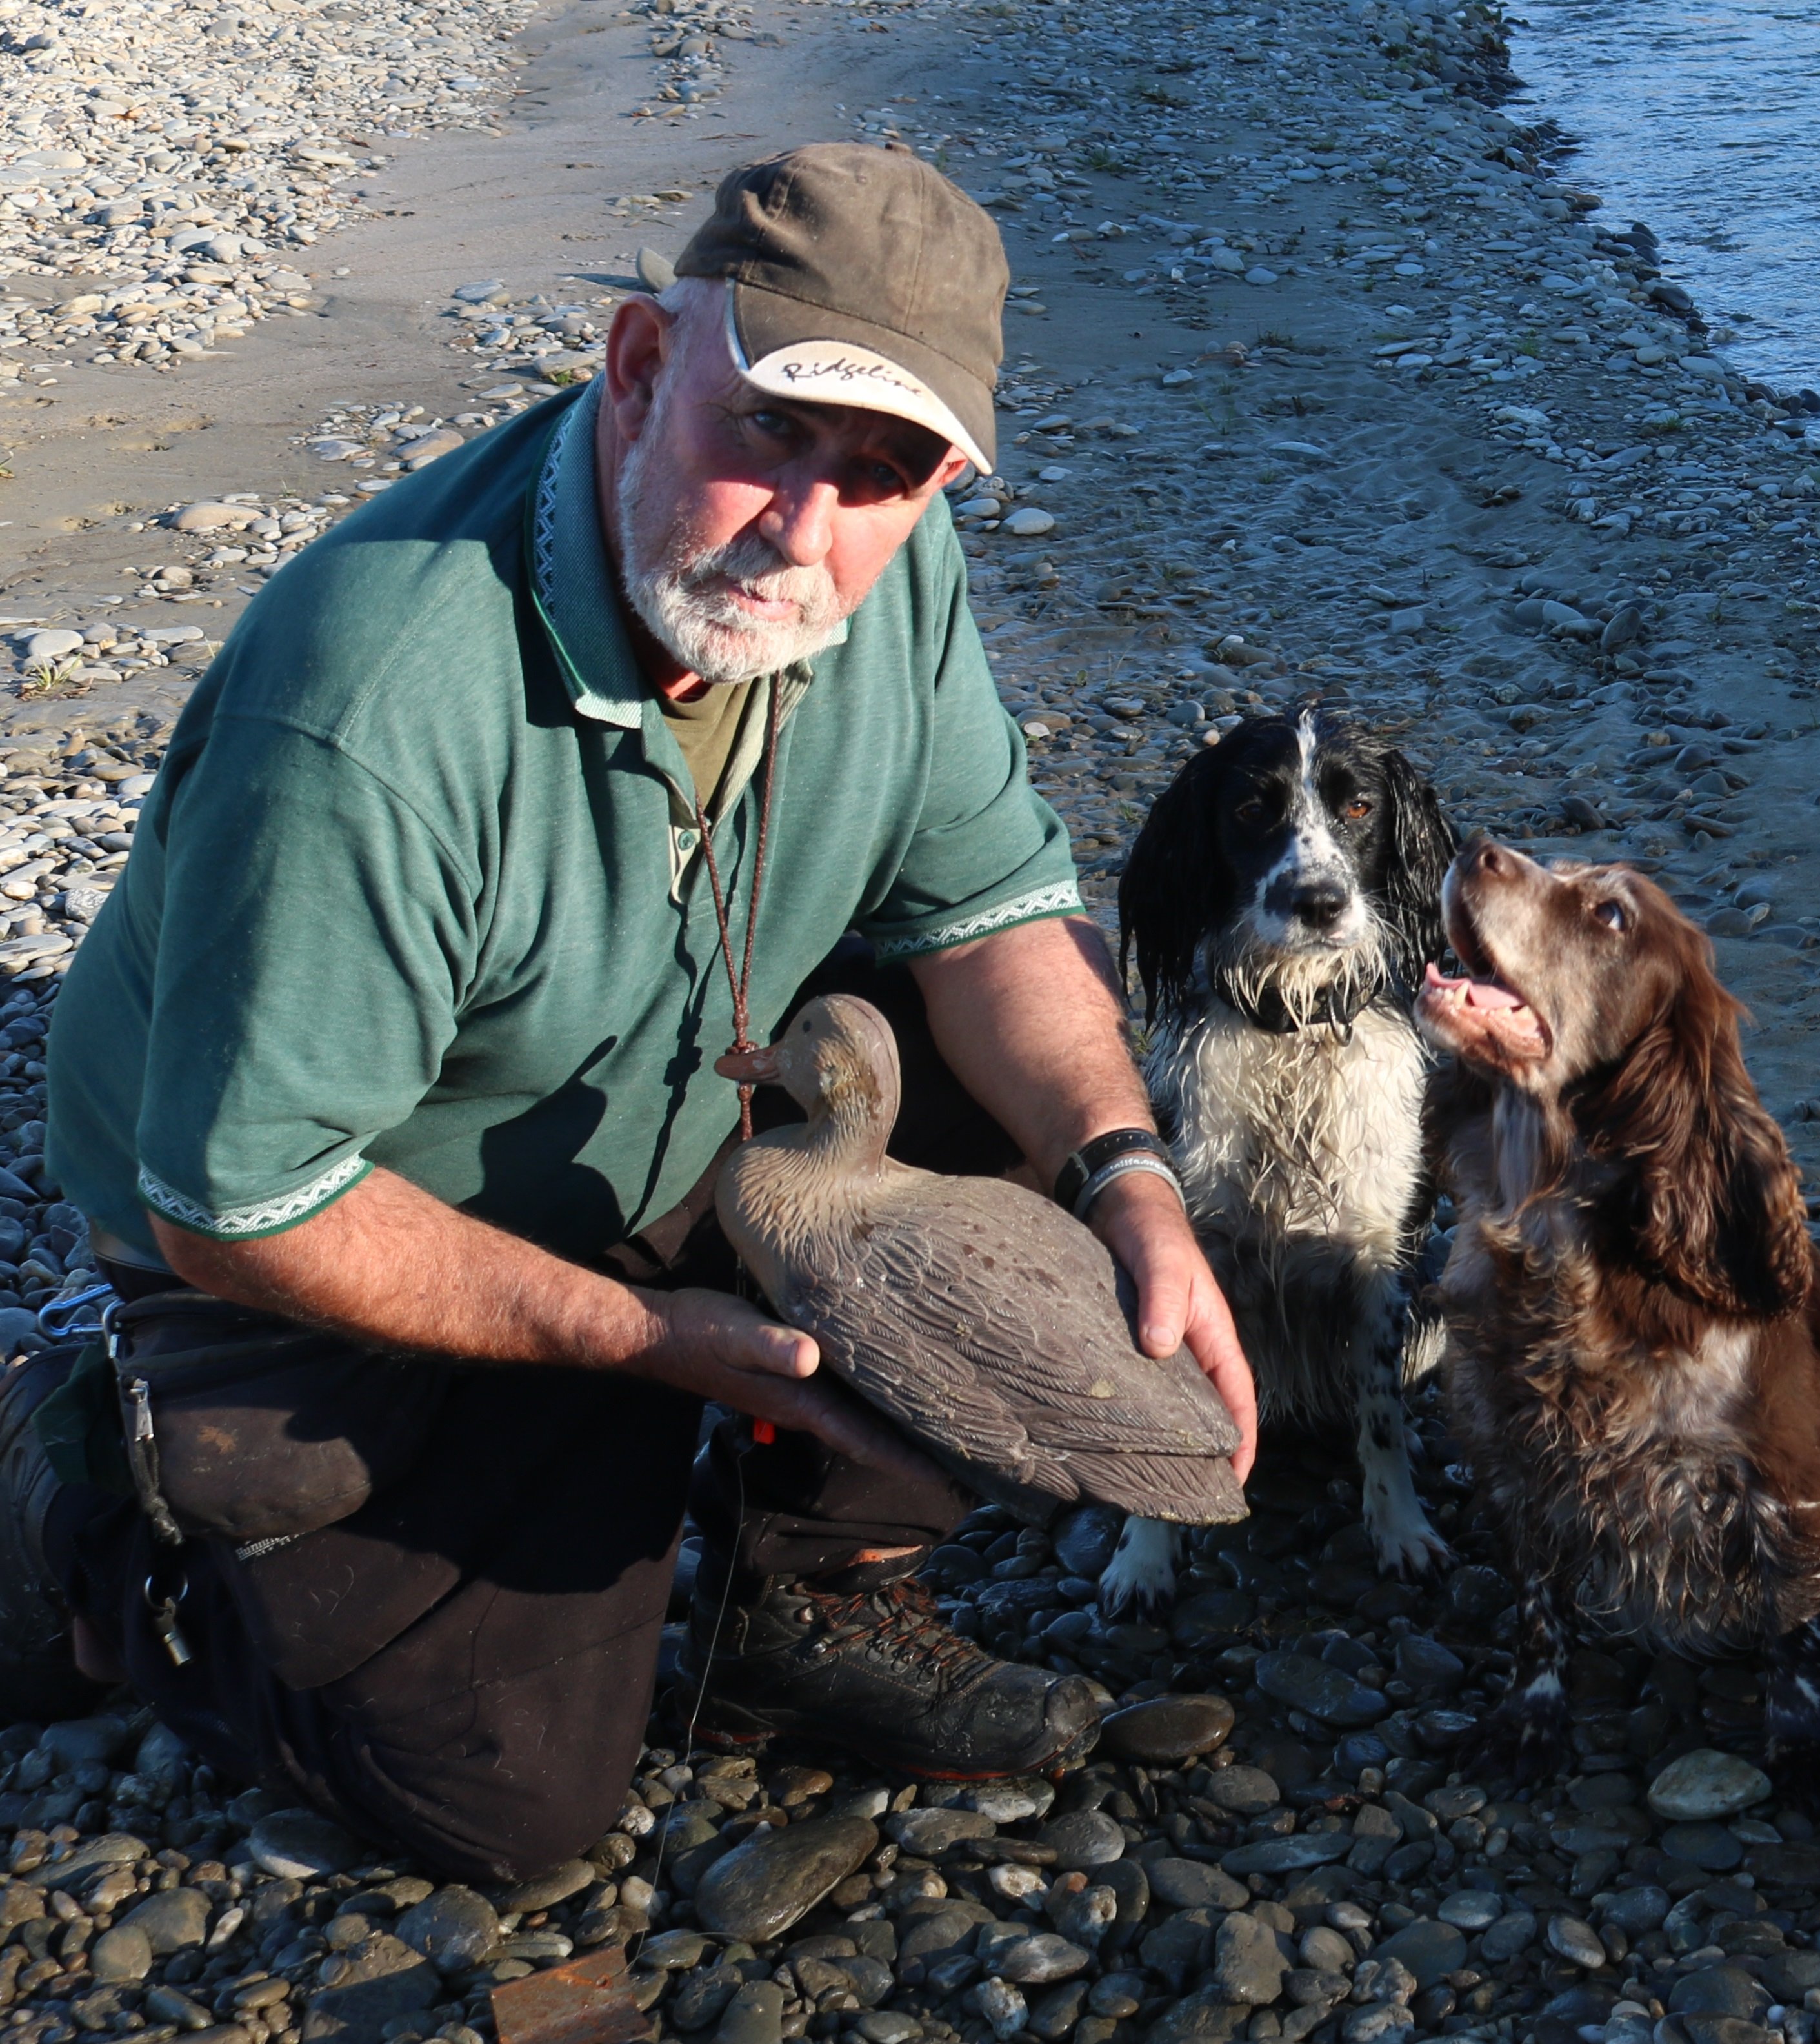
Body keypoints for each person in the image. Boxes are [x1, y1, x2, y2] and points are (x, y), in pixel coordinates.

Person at [0, 143, 1255, 1881]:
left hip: (673, 1100)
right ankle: (84, 1518)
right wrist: (636, 1341)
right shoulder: (366, 713)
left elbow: (992, 920)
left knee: (1021, 1074)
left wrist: (1128, 1174)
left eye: (884, 472)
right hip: (334, 1219)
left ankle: (799, 1600)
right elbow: (243, 1204)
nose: (807, 529)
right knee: (501, 1807)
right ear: (643, 367)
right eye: (769, 433)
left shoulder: (885, 574)